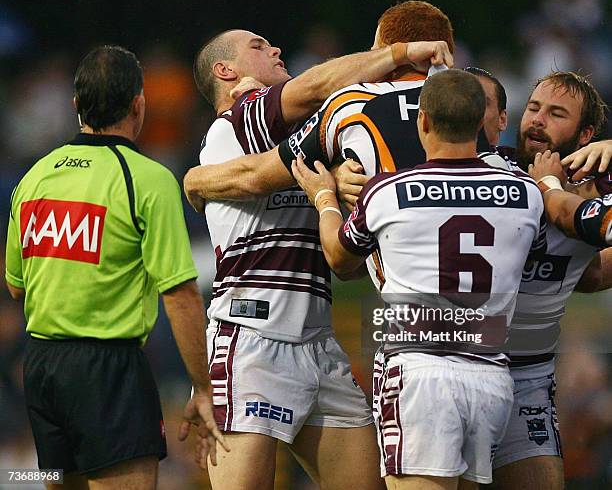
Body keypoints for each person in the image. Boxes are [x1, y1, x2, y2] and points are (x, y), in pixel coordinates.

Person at [187, 26, 452, 490]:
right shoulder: (237, 122)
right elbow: (317, 87)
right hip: (250, 341)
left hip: (319, 342)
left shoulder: (307, 139)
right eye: (258, 46)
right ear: (226, 71)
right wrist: (400, 52)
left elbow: (344, 259)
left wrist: (337, 190)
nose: (276, 47)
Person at [291, 68, 547, 489]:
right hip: (491, 377)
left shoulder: (387, 191)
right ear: (482, 123)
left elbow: (339, 258)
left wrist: (322, 197)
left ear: (423, 121)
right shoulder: (526, 193)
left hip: (420, 372)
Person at [4, 46, 226, 490]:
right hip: (109, 372)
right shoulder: (148, 178)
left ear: (75, 106)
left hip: (43, 369)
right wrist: (203, 389)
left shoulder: (33, 178)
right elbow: (180, 293)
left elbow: (16, 287)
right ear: (139, 104)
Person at [488, 71, 610, 490]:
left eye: (556, 114)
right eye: (535, 108)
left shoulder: (600, 184)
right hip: (460, 366)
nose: (537, 120)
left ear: (586, 134)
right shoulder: (489, 163)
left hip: (531, 381)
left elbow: (591, 276)